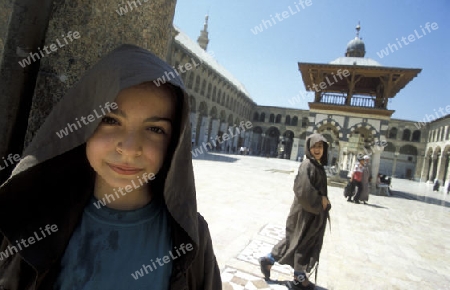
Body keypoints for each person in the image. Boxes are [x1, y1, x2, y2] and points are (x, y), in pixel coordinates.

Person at [0, 45, 221, 289]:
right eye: (110, 120)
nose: (129, 148)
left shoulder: (190, 236)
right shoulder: (31, 216)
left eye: (155, 129)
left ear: (174, 143)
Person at [258, 134, 331, 290]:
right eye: (314, 146)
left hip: (310, 213)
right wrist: (320, 202)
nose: (317, 149)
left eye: (320, 146)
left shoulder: (316, 165)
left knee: (294, 239)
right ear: (308, 148)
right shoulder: (307, 165)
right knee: (303, 242)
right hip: (305, 213)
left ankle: (268, 260)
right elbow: (304, 192)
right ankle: (299, 279)